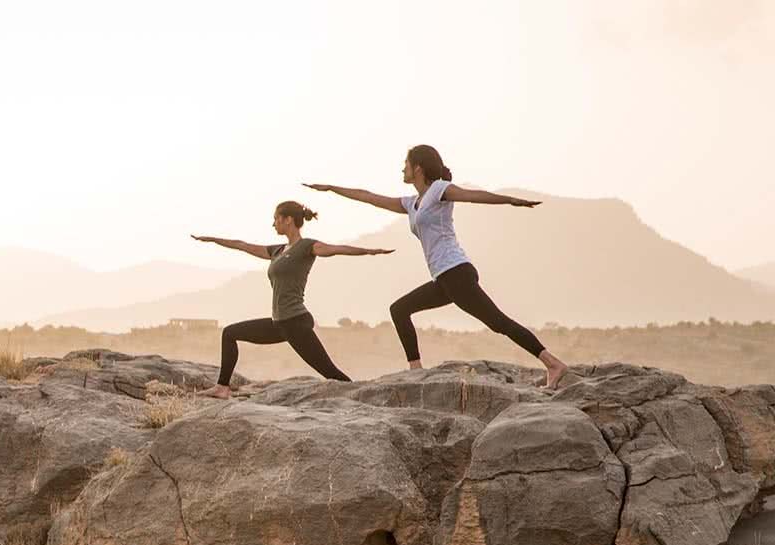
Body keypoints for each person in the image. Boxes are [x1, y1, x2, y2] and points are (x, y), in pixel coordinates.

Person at [304, 145, 569, 389]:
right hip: (444, 279)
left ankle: (553, 364)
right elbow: (369, 197)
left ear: (418, 167)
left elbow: (472, 195)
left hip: (456, 272)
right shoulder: (412, 203)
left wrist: (510, 200)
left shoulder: (439, 190)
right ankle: (416, 369)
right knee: (400, 309)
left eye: (405, 164)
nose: (402, 169)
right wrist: (331, 188)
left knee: (498, 322)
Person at [192, 201, 393, 398]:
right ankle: (222, 387)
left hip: (296, 323)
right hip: (278, 323)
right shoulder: (277, 251)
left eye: (276, 219)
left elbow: (336, 249)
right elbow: (243, 246)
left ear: (288, 220)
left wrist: (369, 251)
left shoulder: (306, 247)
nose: (273, 224)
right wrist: (212, 239)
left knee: (331, 373)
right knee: (229, 333)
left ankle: (366, 397)